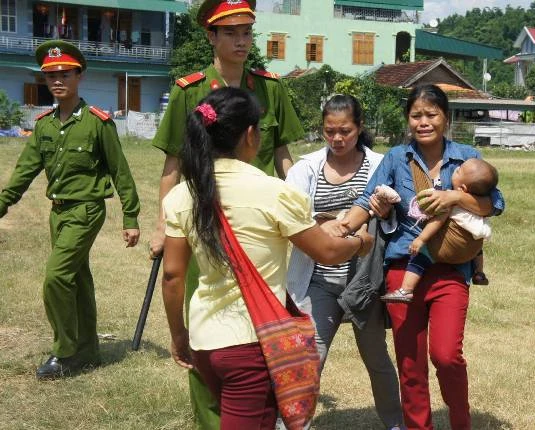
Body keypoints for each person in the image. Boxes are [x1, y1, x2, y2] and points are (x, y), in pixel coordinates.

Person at [161, 88, 373, 430]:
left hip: (204, 342)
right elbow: (327, 251)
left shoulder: (182, 195)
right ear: (249, 134)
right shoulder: (275, 192)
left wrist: (178, 335)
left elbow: (172, 276)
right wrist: (360, 243)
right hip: (251, 345)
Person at [149, 1, 303, 427]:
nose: (240, 40)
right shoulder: (189, 91)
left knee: (263, 323)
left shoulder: (270, 88)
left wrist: (298, 211)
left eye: (247, 32)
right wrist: (162, 227)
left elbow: (285, 158)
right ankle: (211, 419)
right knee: (207, 320)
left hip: (259, 225)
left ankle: (256, 410)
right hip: (205, 223)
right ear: (211, 36)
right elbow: (173, 168)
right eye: (230, 32)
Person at [336, 84, 504, 430]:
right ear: (407, 119)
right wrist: (342, 228)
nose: (423, 122)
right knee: (410, 364)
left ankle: (461, 422)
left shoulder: (467, 156)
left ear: (445, 117)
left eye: (431, 114)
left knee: (446, 356)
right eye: (416, 115)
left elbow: (494, 204)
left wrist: (453, 199)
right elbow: (367, 201)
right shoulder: (396, 158)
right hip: (403, 269)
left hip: (452, 271)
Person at [0, 41, 140, 379]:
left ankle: (64, 352)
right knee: (77, 278)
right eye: (50, 76)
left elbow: (120, 171)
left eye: (65, 73)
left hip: (87, 210)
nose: (57, 80)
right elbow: (25, 170)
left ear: (80, 76)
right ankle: (89, 350)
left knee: (56, 278)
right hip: (58, 213)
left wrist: (131, 216)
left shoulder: (98, 123)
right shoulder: (45, 125)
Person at [284, 94, 403, 429]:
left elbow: (398, 218)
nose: (337, 139)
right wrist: (328, 224)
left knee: (377, 359)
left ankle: (396, 423)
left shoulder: (381, 164)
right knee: (308, 359)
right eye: (329, 131)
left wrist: (385, 213)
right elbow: (290, 218)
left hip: (365, 283)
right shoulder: (306, 168)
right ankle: (290, 424)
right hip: (317, 280)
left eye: (345, 131)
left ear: (360, 128)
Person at [380, 158, 496, 303]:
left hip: (448, 250)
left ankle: (406, 290)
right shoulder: (478, 204)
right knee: (476, 244)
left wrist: (421, 239)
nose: (456, 168)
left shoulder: (450, 200)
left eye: (458, 171)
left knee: (420, 258)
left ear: (463, 188)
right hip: (470, 253)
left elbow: (437, 221)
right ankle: (479, 272)